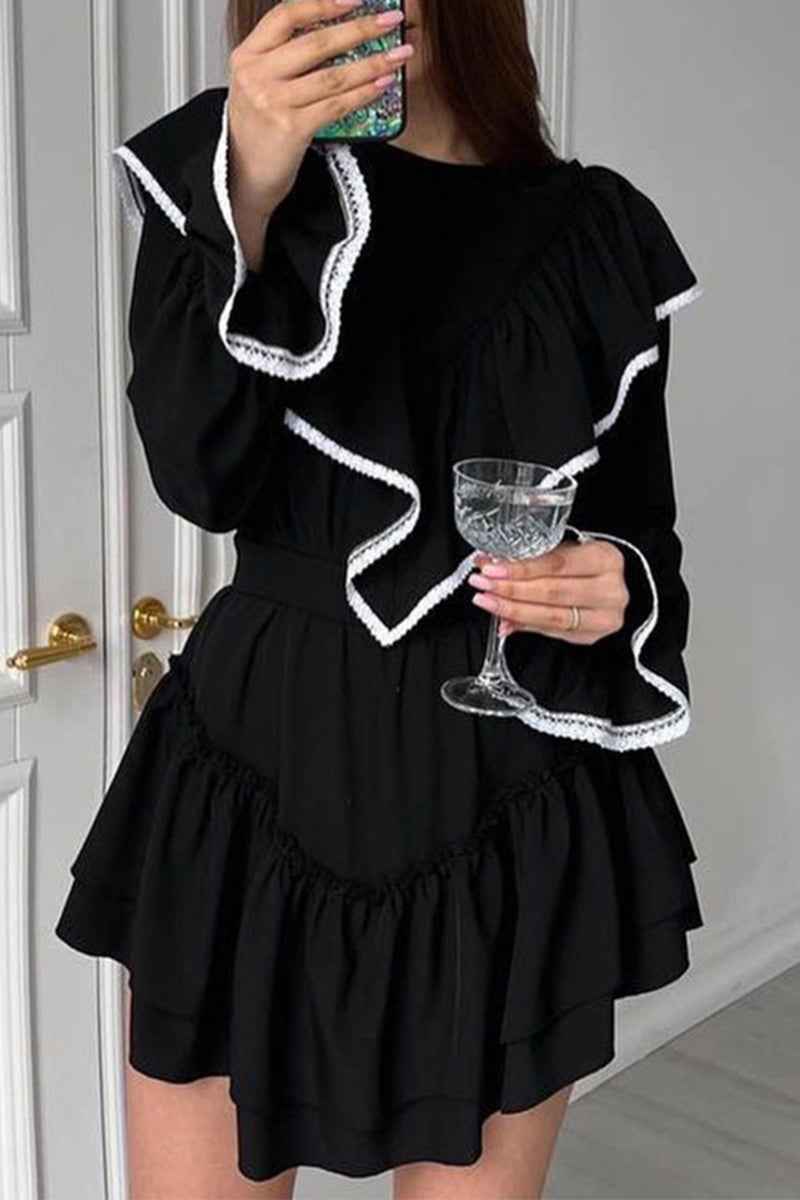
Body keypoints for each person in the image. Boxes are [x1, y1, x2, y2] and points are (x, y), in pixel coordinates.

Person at [55, 0, 706, 1196]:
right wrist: (248, 193)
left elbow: (639, 529)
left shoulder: (595, 232)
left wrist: (617, 582)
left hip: (508, 793)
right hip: (250, 777)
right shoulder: (225, 180)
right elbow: (198, 478)